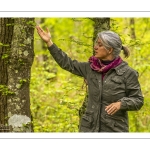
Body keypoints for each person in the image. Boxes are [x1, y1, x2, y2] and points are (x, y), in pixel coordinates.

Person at [36, 25, 144, 132]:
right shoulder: (90, 68)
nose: (95, 47)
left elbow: (138, 100)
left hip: (114, 130)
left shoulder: (128, 73)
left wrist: (121, 104)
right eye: (96, 43)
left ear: (110, 49)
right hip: (89, 129)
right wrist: (49, 43)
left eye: (100, 45)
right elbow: (67, 63)